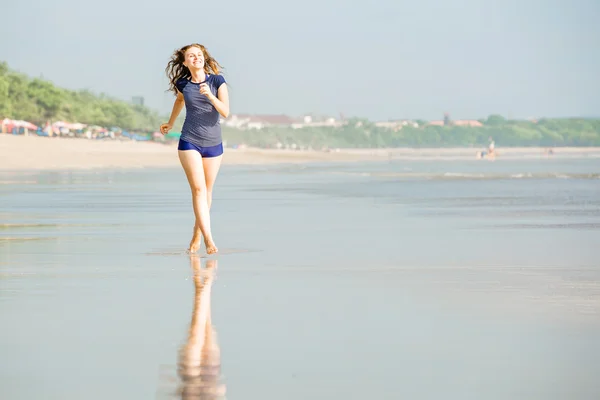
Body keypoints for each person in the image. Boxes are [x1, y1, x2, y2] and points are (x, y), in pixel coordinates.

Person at [160, 43, 230, 254]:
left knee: (207, 192)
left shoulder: (217, 81)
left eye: (199, 55)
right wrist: (171, 122)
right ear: (185, 62)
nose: (196, 58)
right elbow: (180, 100)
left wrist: (210, 95)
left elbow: (225, 112)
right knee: (198, 190)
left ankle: (196, 234)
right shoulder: (183, 83)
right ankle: (209, 240)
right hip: (189, 140)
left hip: (213, 143)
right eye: (191, 56)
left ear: (204, 58)